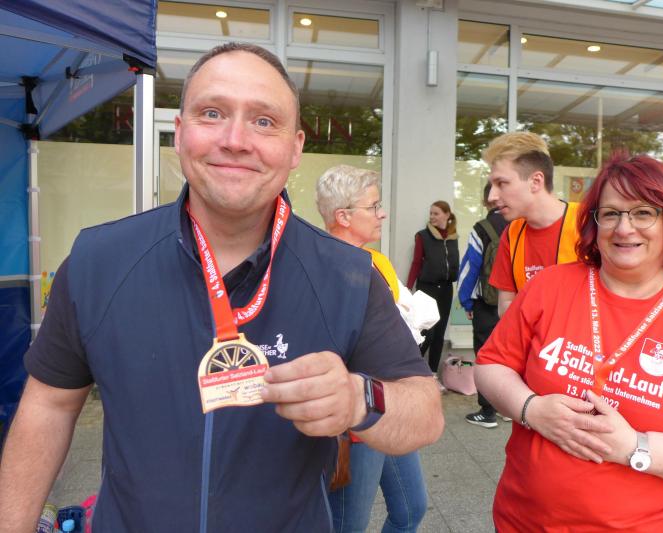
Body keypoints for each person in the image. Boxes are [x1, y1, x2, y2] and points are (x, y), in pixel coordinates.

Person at [0, 43, 443, 532]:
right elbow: (49, 405)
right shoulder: (98, 260)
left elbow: (425, 412)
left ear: (296, 147)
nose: (235, 140)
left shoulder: (349, 275)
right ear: (180, 131)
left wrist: (360, 399)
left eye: (264, 121)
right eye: (212, 113)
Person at [475, 153, 663, 532]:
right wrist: (531, 409)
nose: (624, 228)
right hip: (520, 521)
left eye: (643, 213)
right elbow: (491, 364)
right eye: (610, 214)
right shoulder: (550, 286)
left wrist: (633, 447)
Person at [316, 164, 428, 533]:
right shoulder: (325, 270)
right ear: (343, 216)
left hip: (391, 403)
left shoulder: (374, 261)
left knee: (411, 509)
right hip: (356, 423)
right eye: (374, 206)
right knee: (348, 525)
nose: (382, 214)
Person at [484, 131, 580, 317]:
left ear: (536, 181)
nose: (491, 196)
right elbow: (506, 304)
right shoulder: (512, 234)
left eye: (501, 183)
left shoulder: (588, 223)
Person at [457, 183, 509, 428]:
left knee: (486, 355)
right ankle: (509, 408)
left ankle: (487, 411)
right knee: (510, 354)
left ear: (487, 200)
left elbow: (470, 267)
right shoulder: (522, 225)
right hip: (516, 302)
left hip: (487, 303)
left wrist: (466, 301)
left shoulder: (483, 228)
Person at [407, 201, 459, 377]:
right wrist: (408, 288)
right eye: (431, 213)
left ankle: (432, 374)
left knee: (439, 334)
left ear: (447, 215)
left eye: (436, 213)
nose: (432, 217)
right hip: (427, 289)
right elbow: (416, 263)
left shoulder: (453, 238)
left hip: (446, 289)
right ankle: (413, 370)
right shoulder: (423, 236)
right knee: (427, 333)